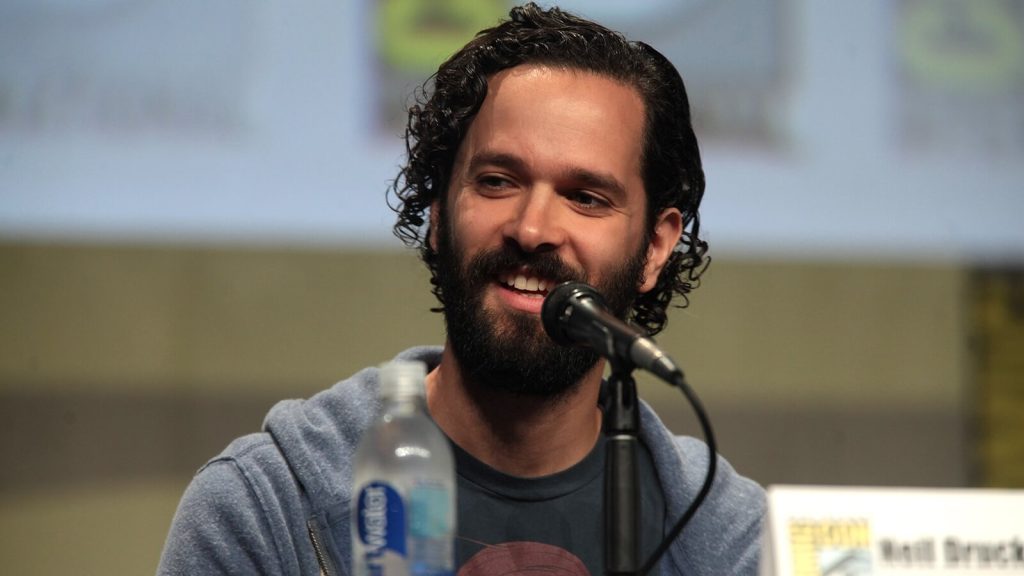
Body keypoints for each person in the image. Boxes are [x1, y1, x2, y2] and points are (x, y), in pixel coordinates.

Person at [158, 3, 765, 575]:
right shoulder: (266, 509)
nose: (532, 230)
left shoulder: (735, 541)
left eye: (586, 198)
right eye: (498, 181)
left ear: (655, 249)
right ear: (438, 214)